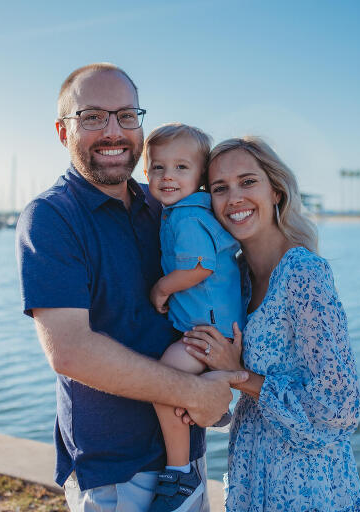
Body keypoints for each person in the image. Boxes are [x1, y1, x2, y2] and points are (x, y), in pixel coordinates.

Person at [15, 63, 247, 512]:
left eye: (125, 115)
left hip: (186, 455)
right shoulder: (51, 218)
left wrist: (223, 373)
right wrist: (198, 394)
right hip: (116, 473)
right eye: (92, 117)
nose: (113, 131)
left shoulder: (161, 203)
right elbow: (70, 351)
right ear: (64, 132)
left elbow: (217, 278)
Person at [180, 137, 360, 511]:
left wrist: (238, 374)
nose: (234, 198)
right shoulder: (238, 281)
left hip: (306, 485)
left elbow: (340, 408)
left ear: (276, 191)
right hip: (252, 473)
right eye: (220, 188)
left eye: (248, 182)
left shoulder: (304, 273)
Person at [142, 123, 245, 512]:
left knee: (165, 377)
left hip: (210, 330)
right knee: (175, 381)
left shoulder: (186, 217)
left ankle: (181, 473)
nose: (168, 176)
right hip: (212, 324)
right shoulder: (188, 210)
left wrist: (162, 288)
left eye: (182, 168)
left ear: (201, 177)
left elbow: (199, 268)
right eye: (157, 167)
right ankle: (216, 409)